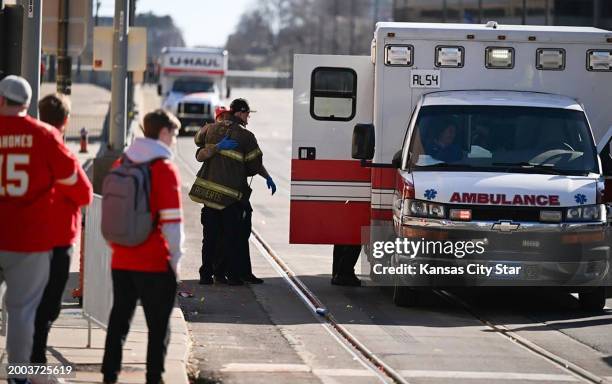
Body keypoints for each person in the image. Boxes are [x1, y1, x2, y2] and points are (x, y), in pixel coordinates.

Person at [0, 75, 79, 384]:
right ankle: (19, 375)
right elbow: (80, 189)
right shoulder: (43, 136)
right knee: (22, 310)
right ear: (27, 104)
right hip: (27, 238)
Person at [101, 109, 184, 384]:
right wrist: (174, 262)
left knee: (119, 319)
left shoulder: (122, 164)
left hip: (121, 260)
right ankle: (153, 377)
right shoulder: (163, 168)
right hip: (154, 261)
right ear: (163, 133)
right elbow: (172, 225)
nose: (175, 140)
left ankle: (109, 373)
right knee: (158, 326)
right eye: (174, 134)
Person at [30, 94, 93, 364]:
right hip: (56, 237)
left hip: (27, 236)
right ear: (66, 121)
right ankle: (34, 363)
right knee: (49, 303)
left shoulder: (28, 142)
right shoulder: (56, 146)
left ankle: (28, 362)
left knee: (28, 301)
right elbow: (84, 193)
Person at [195, 98, 275, 286]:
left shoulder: (212, 129)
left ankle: (206, 275)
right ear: (239, 113)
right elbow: (254, 165)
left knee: (210, 238)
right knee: (231, 237)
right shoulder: (246, 136)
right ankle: (232, 276)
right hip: (231, 199)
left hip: (209, 197)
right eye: (247, 113)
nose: (248, 117)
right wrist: (260, 174)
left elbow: (198, 141)